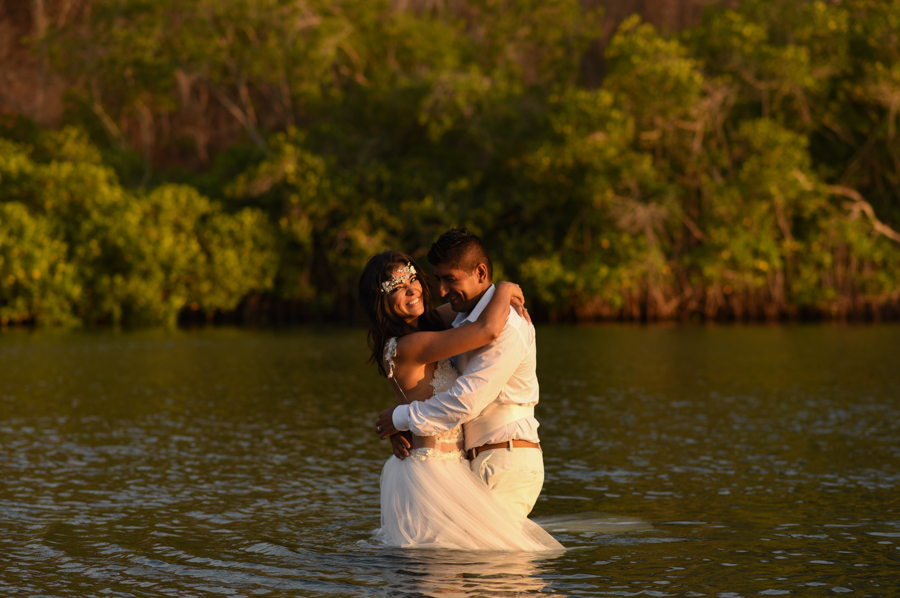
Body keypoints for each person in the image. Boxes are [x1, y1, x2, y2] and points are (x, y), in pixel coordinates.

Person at [359, 249, 561, 551]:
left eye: (411, 278)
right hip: (434, 471)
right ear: (381, 303)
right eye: (396, 287)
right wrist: (505, 288)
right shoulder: (411, 344)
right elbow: (487, 328)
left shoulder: (427, 324)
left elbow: (474, 304)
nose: (411, 290)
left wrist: (403, 419)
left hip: (448, 463)